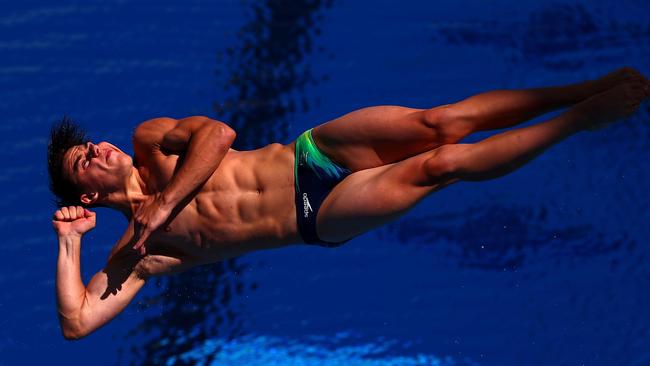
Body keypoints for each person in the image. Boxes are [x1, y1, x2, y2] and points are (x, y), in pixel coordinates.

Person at [49, 67, 650, 340]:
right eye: (86, 158)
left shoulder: (152, 140)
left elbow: (220, 136)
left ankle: (584, 86)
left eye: (92, 142)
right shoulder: (143, 252)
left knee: (441, 122)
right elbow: (77, 321)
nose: (100, 146)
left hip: (309, 153)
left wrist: (166, 202)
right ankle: (580, 118)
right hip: (316, 217)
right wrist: (71, 244)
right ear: (89, 194)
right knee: (445, 164)